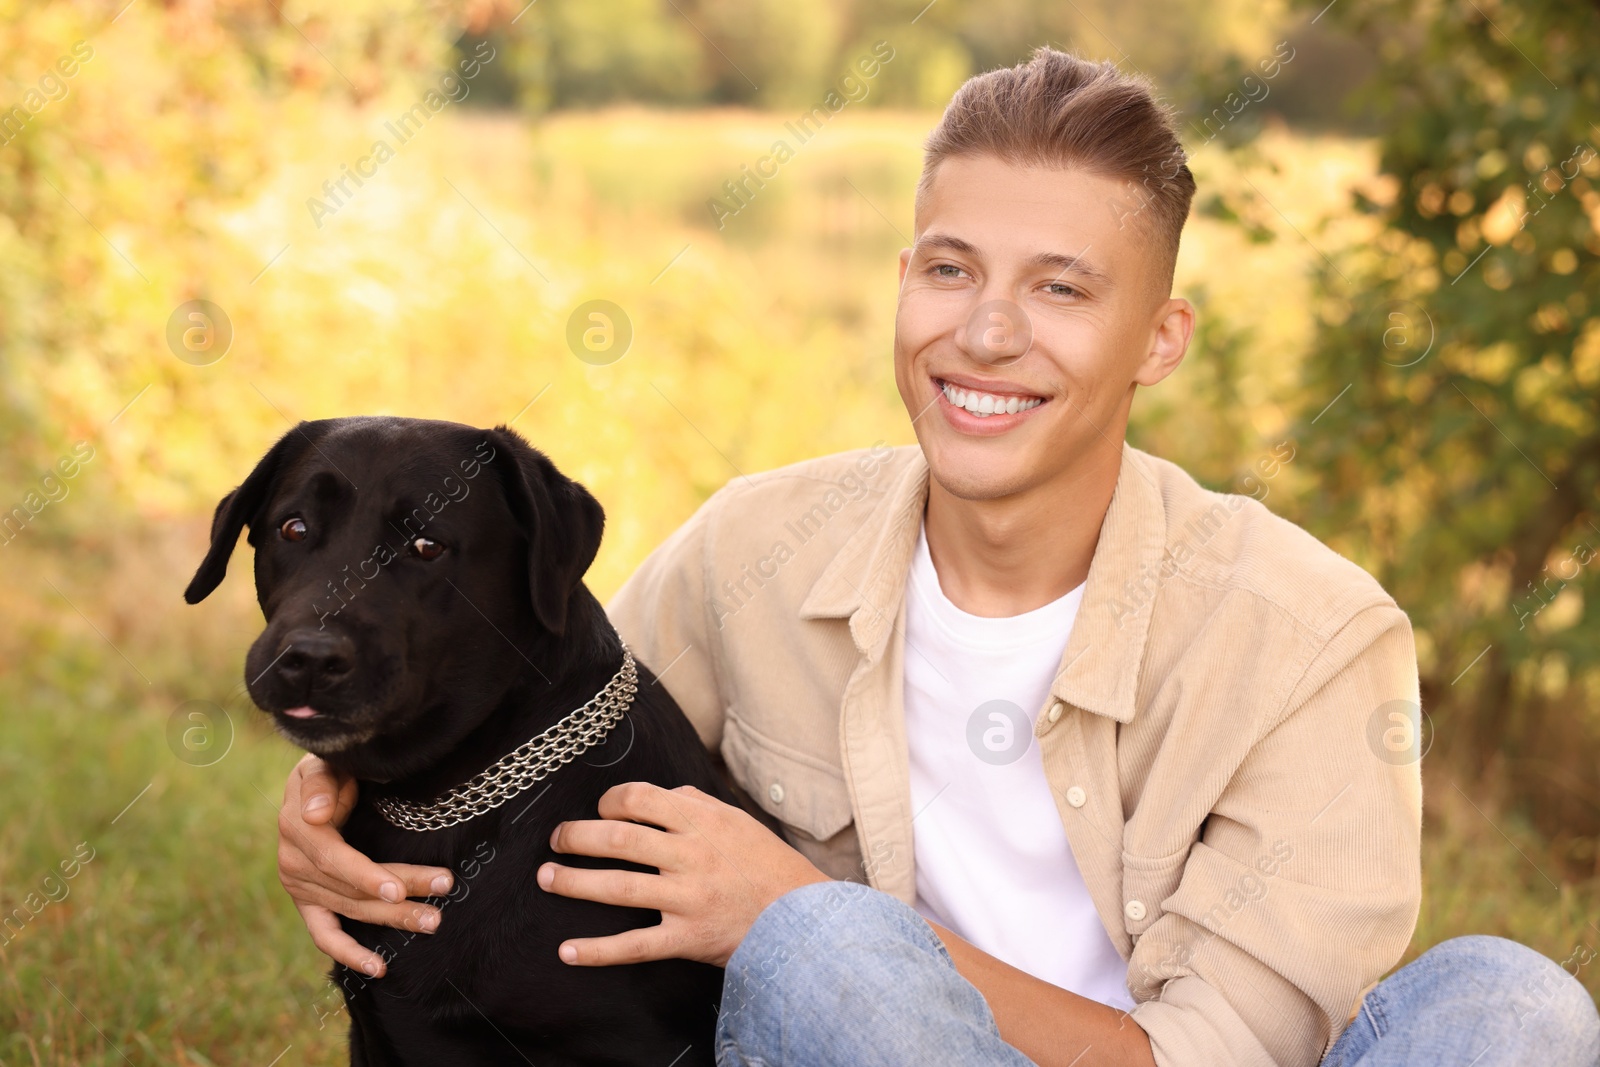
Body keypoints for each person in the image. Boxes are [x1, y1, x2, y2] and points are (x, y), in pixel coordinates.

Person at [273, 48, 1600, 1067]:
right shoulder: (756, 545)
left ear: (1160, 338)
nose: (988, 333)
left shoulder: (1314, 636)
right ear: (904, 276)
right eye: (952, 271)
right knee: (827, 958)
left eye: (1063, 289)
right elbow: (532, 732)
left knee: (1514, 1003)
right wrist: (335, 806)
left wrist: (785, 902)